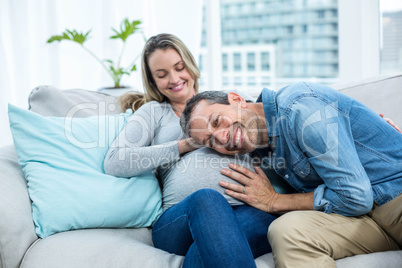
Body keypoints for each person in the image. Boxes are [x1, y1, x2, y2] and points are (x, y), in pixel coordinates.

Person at [180, 84, 402, 267]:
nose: (222, 137)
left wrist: (275, 201)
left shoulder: (300, 109)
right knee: (286, 231)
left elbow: (355, 197)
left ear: (237, 99)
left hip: (395, 198)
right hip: (363, 218)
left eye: (217, 121)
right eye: (210, 141)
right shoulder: (260, 146)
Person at [104, 33, 277, 267]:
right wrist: (186, 144)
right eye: (162, 75)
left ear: (191, 65)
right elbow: (115, 162)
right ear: (153, 81)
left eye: (179, 67)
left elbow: (276, 136)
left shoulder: (228, 101)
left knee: (208, 249)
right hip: (180, 220)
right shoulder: (153, 113)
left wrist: (274, 194)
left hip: (249, 210)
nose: (174, 79)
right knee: (207, 199)